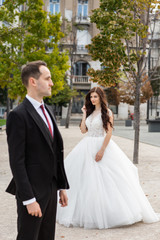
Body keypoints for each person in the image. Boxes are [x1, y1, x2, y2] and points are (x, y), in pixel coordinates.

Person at [57, 86, 159, 229]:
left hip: (101, 145)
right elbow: (82, 130)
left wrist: (102, 151)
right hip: (86, 146)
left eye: (95, 97)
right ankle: (86, 212)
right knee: (85, 179)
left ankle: (112, 213)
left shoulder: (107, 112)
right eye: (91, 97)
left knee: (108, 180)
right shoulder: (90, 112)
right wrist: (84, 114)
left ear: (100, 98)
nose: (92, 99)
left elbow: (109, 133)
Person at [6, 60, 69, 240]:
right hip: (32, 193)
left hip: (51, 189)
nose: (52, 83)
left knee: (47, 237)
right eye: (47, 78)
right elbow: (16, 162)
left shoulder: (48, 110)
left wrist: (61, 186)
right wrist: (28, 199)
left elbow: (55, 152)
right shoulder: (18, 115)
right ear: (33, 81)